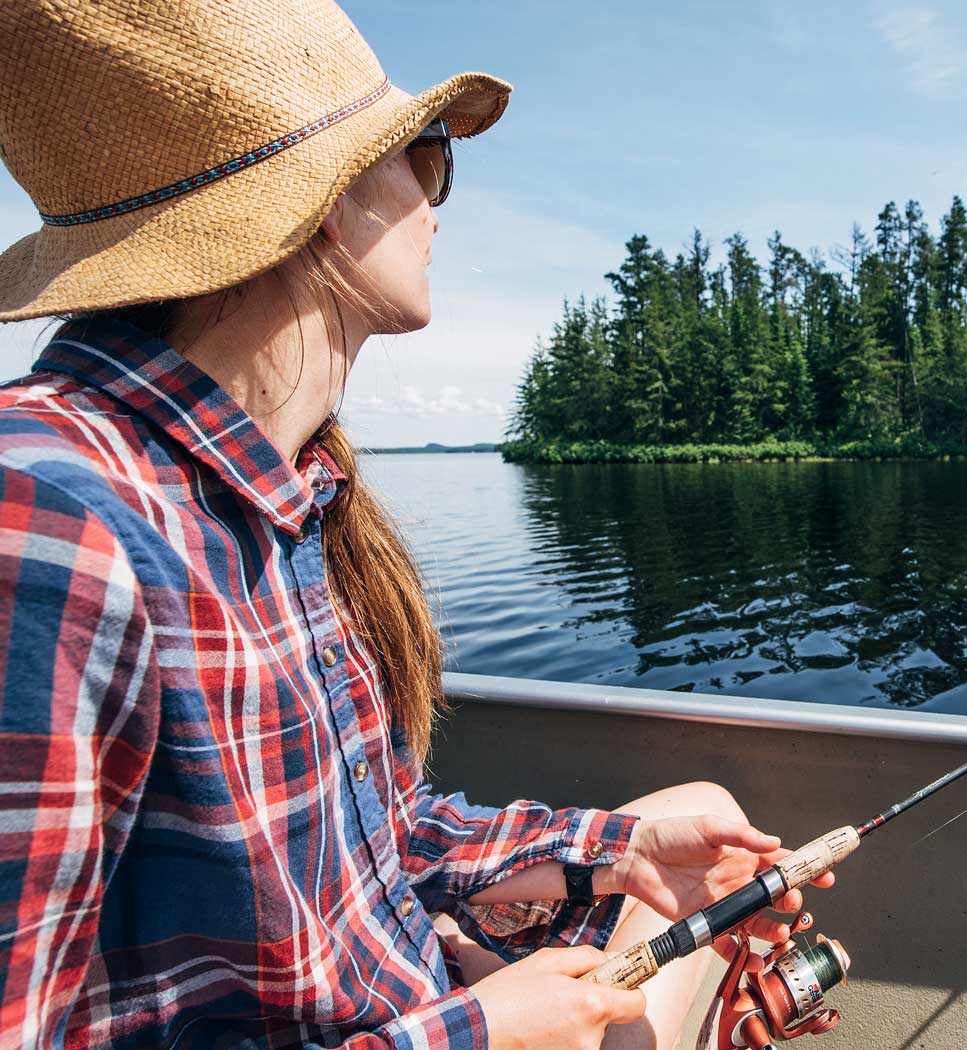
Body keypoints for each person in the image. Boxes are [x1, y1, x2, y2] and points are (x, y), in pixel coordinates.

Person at [0, 1, 830, 1048]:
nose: (437, 210)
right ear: (328, 205)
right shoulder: (46, 520)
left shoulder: (279, 495)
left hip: (408, 987)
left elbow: (376, 836)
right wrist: (477, 1032)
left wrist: (616, 851)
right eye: (425, 160)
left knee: (692, 813)